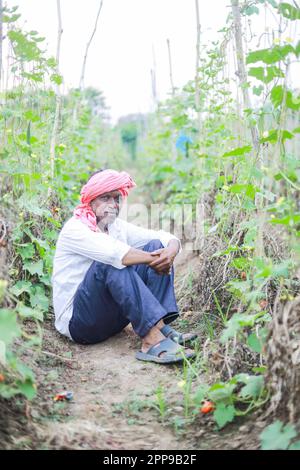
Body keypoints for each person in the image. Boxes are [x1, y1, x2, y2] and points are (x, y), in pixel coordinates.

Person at [52, 169, 197, 364]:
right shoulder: (75, 228)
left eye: (116, 199)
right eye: (105, 198)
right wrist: (153, 258)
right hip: (81, 324)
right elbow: (115, 254)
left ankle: (160, 327)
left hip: (111, 320)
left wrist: (170, 248)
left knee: (155, 245)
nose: (113, 205)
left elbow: (161, 237)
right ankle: (151, 341)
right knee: (111, 263)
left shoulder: (116, 226)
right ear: (91, 200)